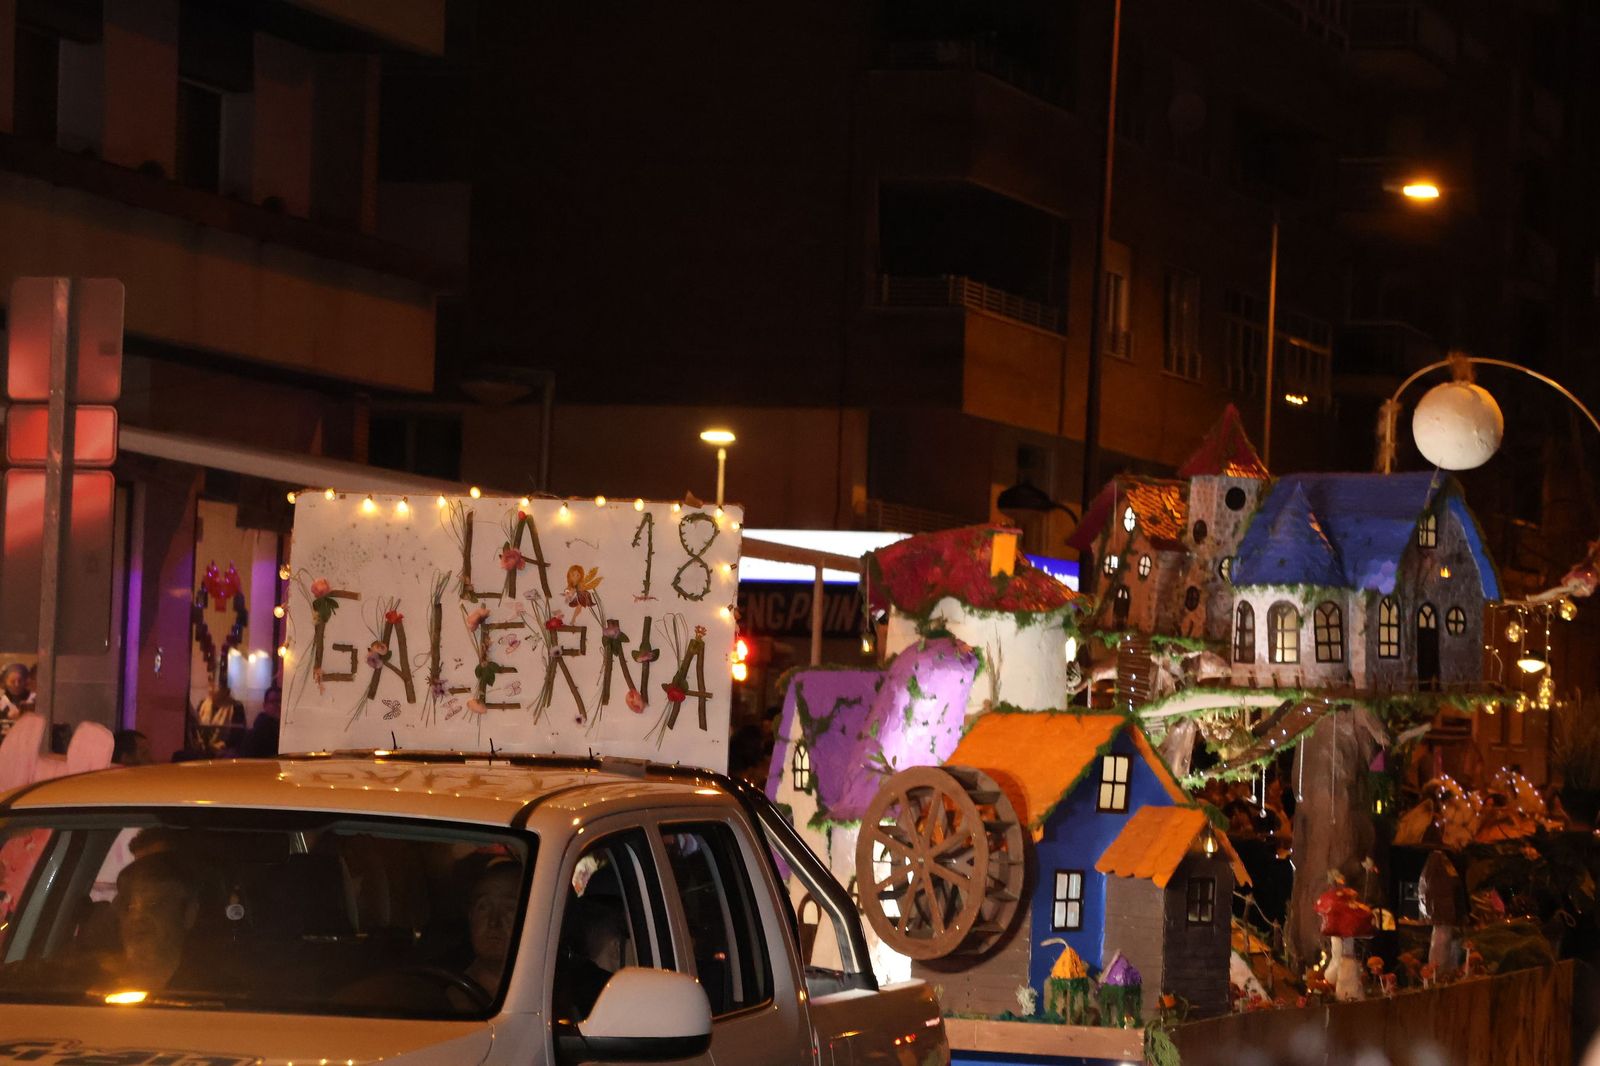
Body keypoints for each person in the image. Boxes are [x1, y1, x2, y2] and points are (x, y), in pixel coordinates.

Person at [193, 678, 246, 755]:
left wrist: (223, 745)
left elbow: (238, 735)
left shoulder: (236, 707)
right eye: (210, 685)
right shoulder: (202, 704)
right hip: (201, 750)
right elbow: (195, 727)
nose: (211, 689)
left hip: (224, 753)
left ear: (226, 690)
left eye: (216, 686)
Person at [240, 686, 282, 758]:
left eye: (280, 701)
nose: (278, 705)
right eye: (273, 702)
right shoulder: (256, 734)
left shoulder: (288, 732)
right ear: (264, 705)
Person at [0, 663, 32, 738]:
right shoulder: (2, 700)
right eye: (12, 681)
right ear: (6, 682)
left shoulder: (33, 699)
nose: (16, 684)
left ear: (25, 682)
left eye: (20, 681)